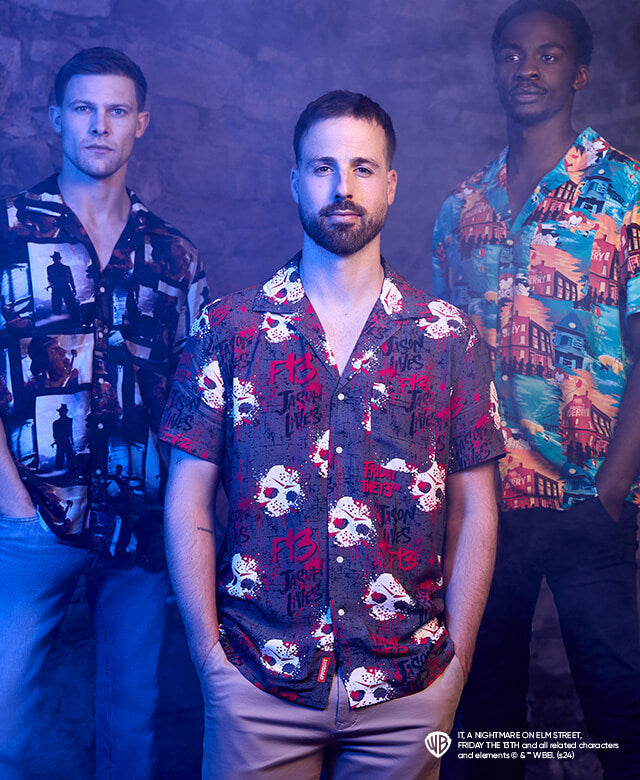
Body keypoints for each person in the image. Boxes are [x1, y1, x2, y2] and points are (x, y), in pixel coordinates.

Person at [160, 90, 503, 780]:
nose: (342, 187)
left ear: (391, 184)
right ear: (295, 179)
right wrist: (209, 661)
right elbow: (187, 503)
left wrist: (456, 666)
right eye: (322, 167)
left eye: (363, 168)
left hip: (408, 690)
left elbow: (477, 513)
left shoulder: (449, 339)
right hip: (256, 684)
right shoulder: (231, 330)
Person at [432, 1, 640, 777]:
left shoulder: (625, 193)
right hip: (487, 505)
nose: (527, 68)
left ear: (579, 73)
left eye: (548, 55)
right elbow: (446, 362)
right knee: (482, 718)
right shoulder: (461, 210)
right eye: (512, 54)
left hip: (592, 499)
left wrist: (610, 495)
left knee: (621, 705)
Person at [0, 47, 208, 779]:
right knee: (8, 729)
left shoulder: (174, 256)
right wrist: (11, 498)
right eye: (83, 108)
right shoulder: (10, 229)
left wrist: (180, 509)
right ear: (55, 117)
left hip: (139, 520)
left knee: (133, 725)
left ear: (140, 124)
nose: (99, 125)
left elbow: (195, 401)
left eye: (116, 110)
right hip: (30, 514)